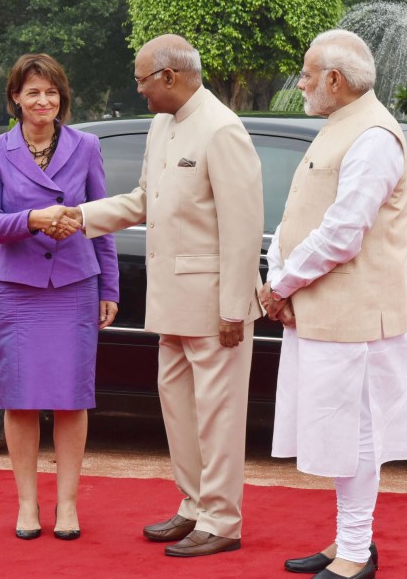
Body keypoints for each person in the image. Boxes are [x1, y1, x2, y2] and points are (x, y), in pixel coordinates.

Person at [53, 34, 263, 557]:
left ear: (169, 77)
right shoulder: (162, 125)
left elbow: (244, 229)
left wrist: (235, 308)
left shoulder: (222, 129)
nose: (140, 90)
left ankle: (222, 520)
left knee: (218, 416)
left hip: (216, 306)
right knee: (180, 411)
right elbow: (145, 199)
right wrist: (84, 217)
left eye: (143, 80)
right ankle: (193, 506)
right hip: (171, 302)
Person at [260, 30, 407, 579]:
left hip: (353, 316)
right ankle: (346, 541)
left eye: (308, 73)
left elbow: (343, 233)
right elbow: (300, 217)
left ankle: (357, 552)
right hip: (322, 310)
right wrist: (279, 276)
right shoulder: (340, 125)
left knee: (355, 433)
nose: (301, 82)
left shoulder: (374, 136)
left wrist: (280, 286)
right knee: (336, 432)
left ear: (335, 79)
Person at [0, 53, 119, 541]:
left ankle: (69, 506)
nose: (43, 101)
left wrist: (109, 287)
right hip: (17, 289)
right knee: (21, 401)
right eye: (33, 92)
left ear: (63, 98)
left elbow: (102, 223)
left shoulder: (86, 146)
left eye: (51, 92)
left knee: (74, 400)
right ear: (15, 97)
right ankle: (28, 505)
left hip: (76, 285)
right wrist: (33, 219)